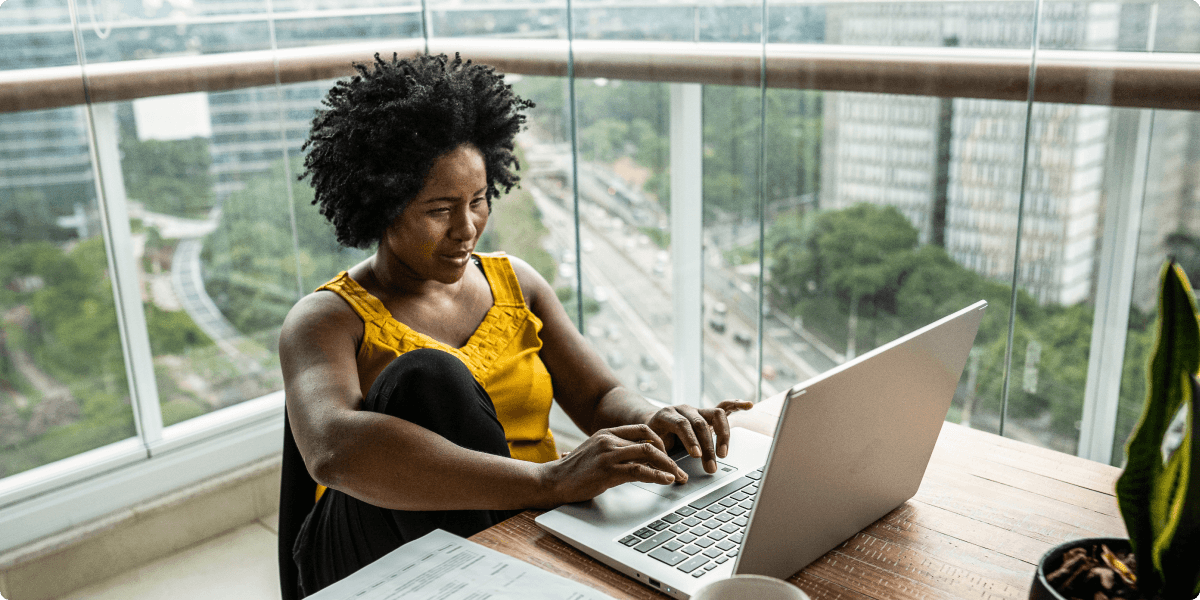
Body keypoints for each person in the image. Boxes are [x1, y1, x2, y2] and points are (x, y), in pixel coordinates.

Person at [278, 52, 752, 598]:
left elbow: (600, 396)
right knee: (427, 378)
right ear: (382, 206)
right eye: (439, 210)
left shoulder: (516, 283)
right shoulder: (326, 319)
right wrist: (549, 481)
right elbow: (333, 450)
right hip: (375, 548)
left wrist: (656, 421)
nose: (467, 228)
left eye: (478, 201)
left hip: (526, 522)